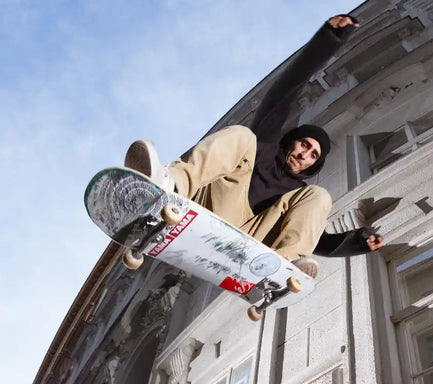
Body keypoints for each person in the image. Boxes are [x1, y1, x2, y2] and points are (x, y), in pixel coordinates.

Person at [124, 15, 383, 279]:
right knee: (243, 136)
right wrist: (328, 39)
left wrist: (359, 241)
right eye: (304, 145)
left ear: (314, 163)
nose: (304, 155)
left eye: (312, 155)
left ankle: (282, 268)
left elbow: (317, 240)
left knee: (320, 196)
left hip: (248, 237)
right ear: (293, 141)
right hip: (210, 204)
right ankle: (170, 186)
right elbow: (286, 90)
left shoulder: (299, 195)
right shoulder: (267, 145)